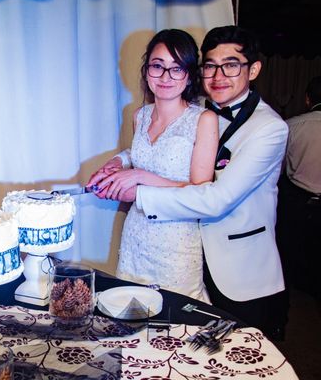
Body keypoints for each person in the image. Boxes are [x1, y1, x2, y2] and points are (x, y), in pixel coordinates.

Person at [95, 26, 289, 340]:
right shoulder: (189, 109)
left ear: (253, 69)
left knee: (227, 356)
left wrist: (140, 187)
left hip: (235, 267)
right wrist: (121, 160)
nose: (218, 75)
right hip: (172, 246)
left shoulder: (269, 129)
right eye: (210, 65)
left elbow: (214, 198)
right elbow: (159, 149)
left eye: (231, 65)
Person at [87, 28, 218, 302]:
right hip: (136, 235)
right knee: (129, 314)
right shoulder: (140, 115)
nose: (166, 77)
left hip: (177, 241)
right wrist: (117, 162)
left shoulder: (203, 120)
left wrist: (139, 176)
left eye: (176, 68)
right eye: (158, 66)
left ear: (189, 74)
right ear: (147, 71)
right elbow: (143, 153)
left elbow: (200, 190)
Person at [276, 76, 321, 300]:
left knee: (288, 258)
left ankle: (281, 319)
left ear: (307, 99)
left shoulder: (292, 125)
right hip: (300, 202)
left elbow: (278, 169)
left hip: (298, 202)